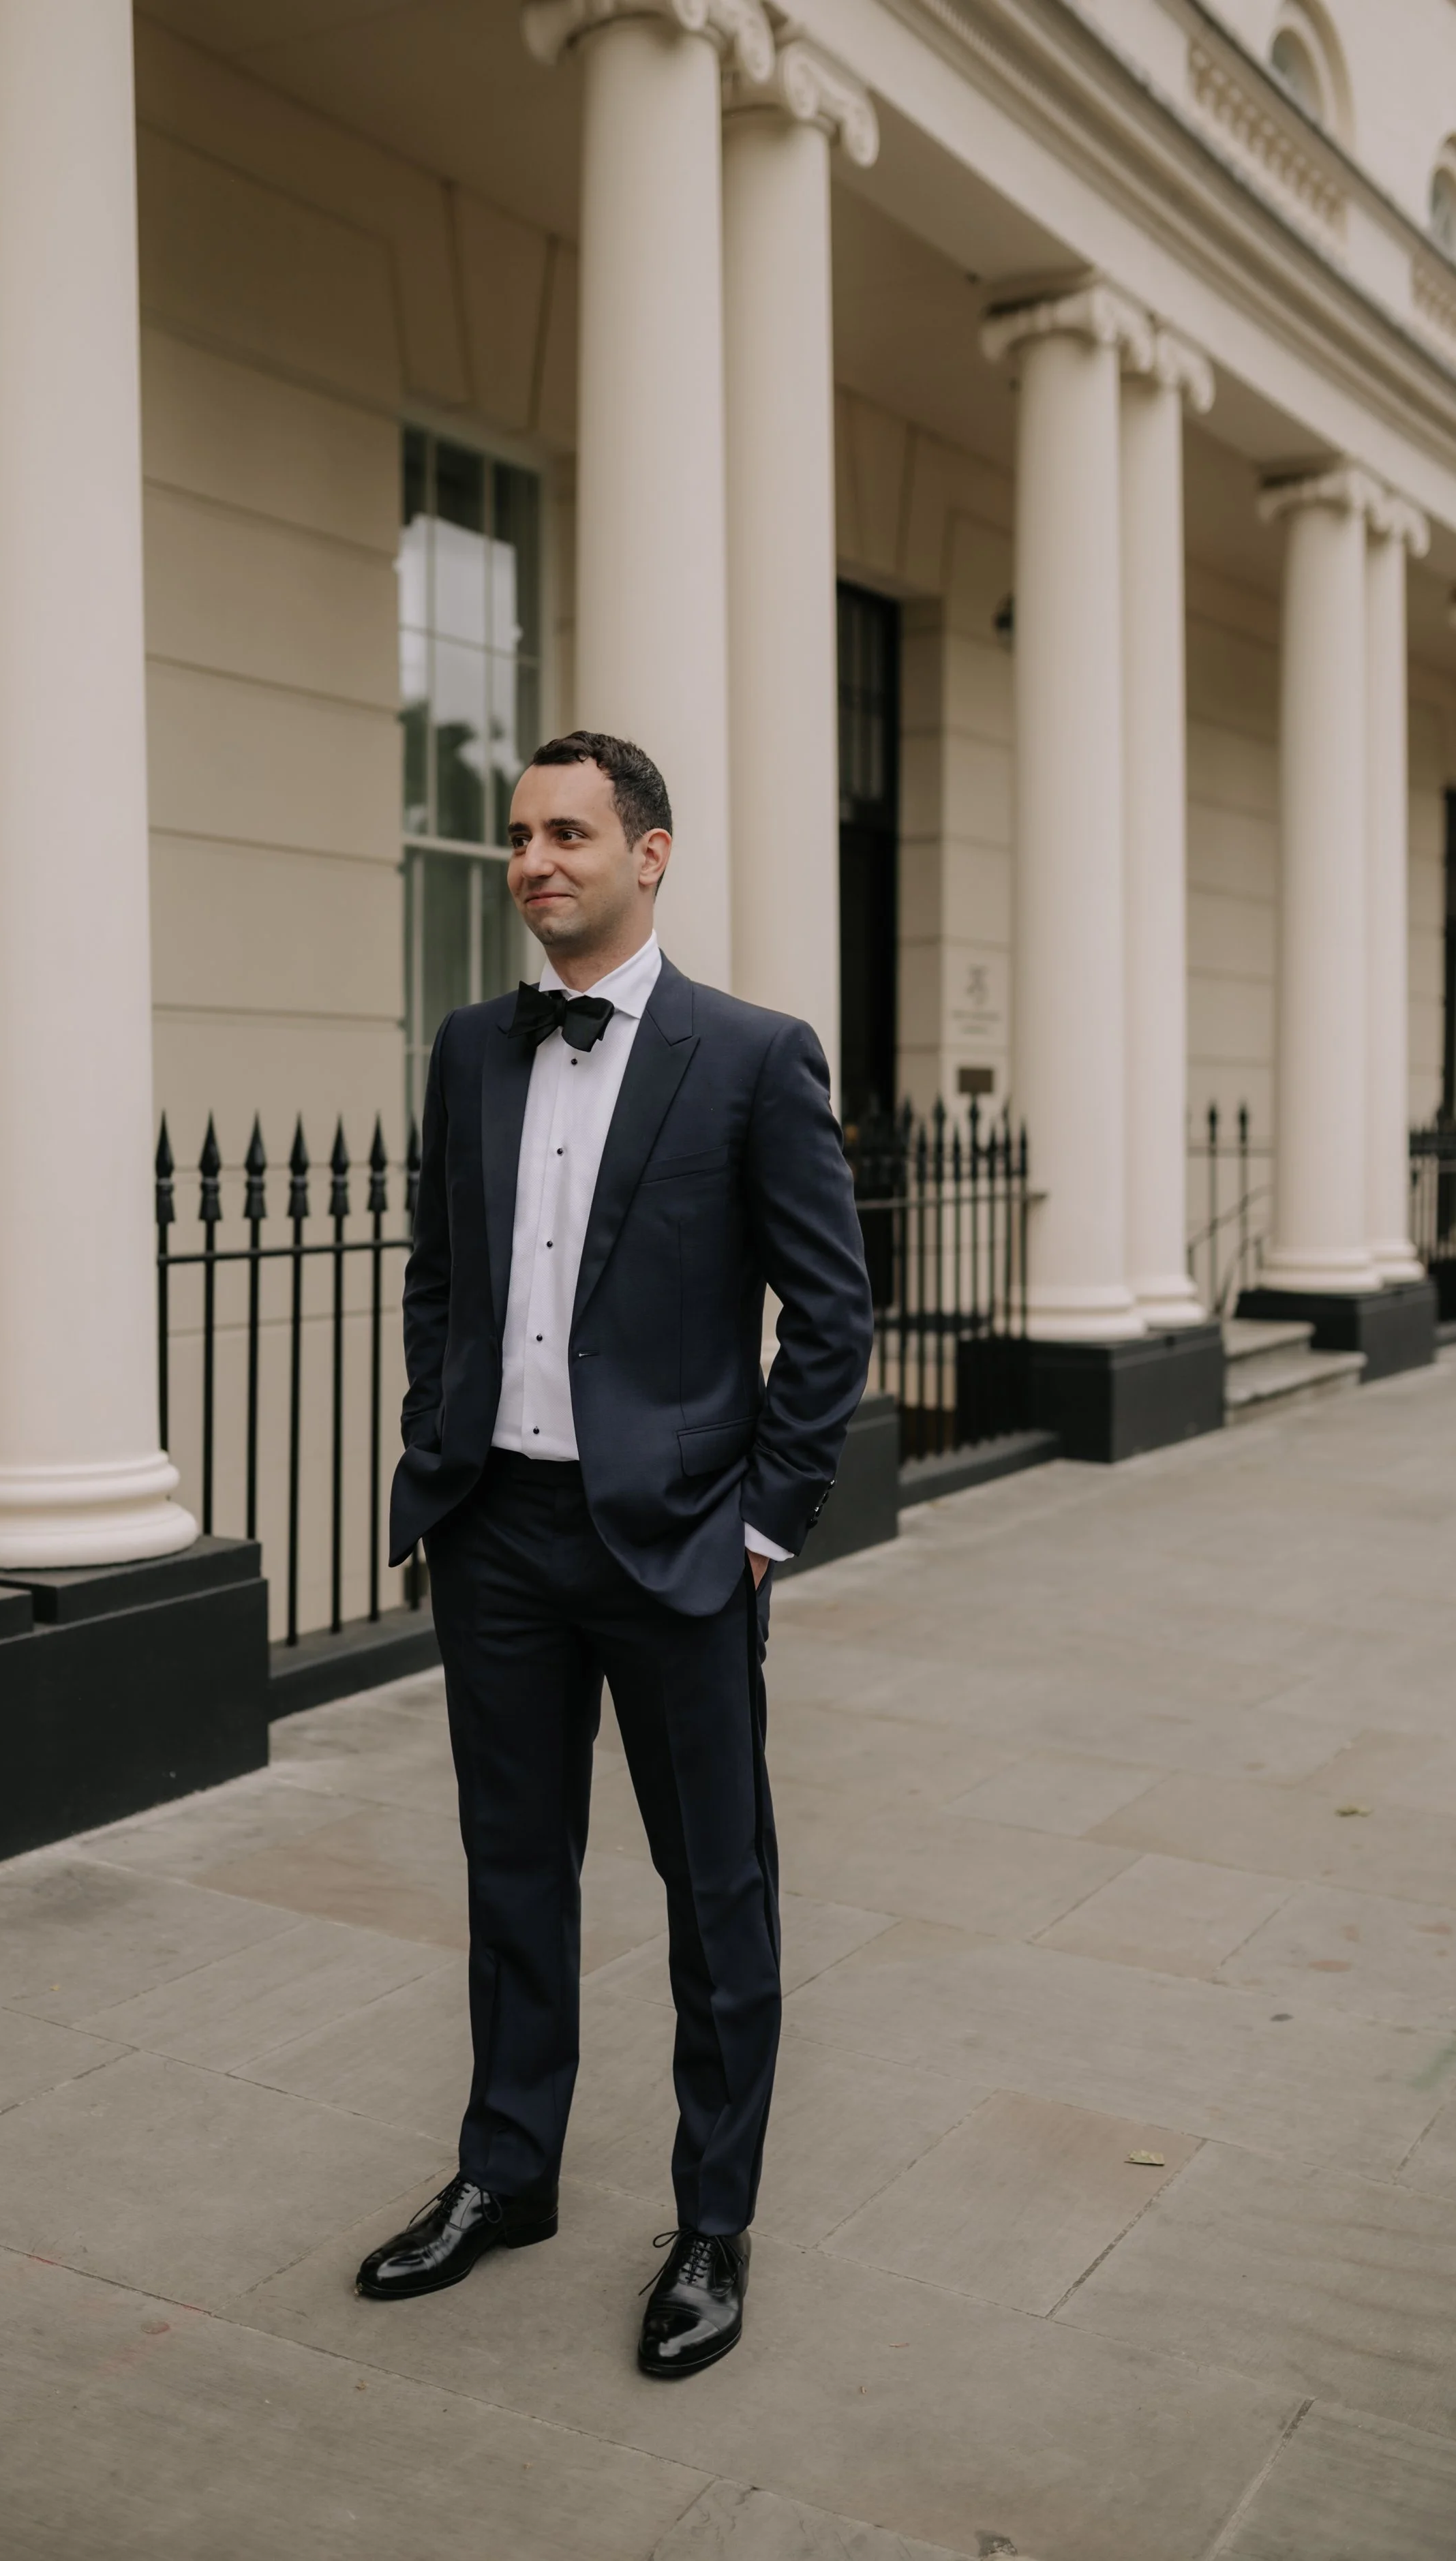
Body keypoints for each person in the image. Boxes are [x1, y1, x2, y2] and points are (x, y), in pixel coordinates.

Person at [355, 731, 875, 2377]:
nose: (534, 861)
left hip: (678, 1550)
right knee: (511, 1874)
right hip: (495, 1533)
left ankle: (711, 2223)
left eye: (568, 834)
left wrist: (763, 1526)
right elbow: (441, 1274)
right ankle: (505, 2173)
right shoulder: (468, 1048)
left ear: (649, 855)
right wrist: (435, 1445)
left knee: (715, 1897)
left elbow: (830, 1317)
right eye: (519, 835)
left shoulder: (751, 1058)